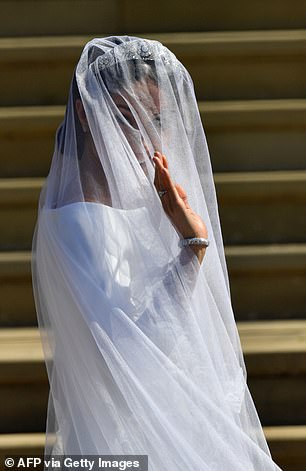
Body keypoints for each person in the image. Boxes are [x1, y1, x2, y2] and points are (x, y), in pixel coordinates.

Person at [31, 36, 283, 470]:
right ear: (86, 115)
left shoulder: (138, 202)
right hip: (128, 442)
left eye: (158, 119)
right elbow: (128, 355)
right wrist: (192, 248)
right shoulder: (77, 220)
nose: (147, 138)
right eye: (128, 117)